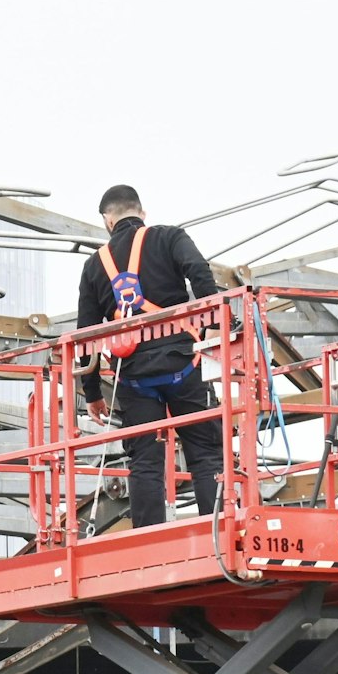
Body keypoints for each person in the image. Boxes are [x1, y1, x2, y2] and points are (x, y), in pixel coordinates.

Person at [78, 185, 225, 527]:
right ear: (142, 214)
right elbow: (200, 272)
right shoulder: (168, 237)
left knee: (144, 460)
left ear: (107, 220)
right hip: (183, 365)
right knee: (204, 453)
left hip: (133, 377)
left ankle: (148, 537)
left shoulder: (94, 265)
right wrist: (216, 323)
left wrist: (93, 394)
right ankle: (217, 529)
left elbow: (85, 337)